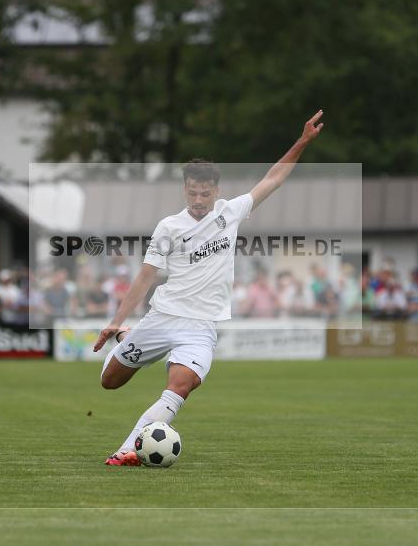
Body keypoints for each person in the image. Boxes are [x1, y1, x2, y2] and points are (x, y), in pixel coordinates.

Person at [93, 110, 324, 466]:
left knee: (180, 386)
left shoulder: (230, 212)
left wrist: (303, 141)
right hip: (163, 317)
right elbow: (145, 276)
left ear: (216, 191)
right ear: (184, 189)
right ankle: (127, 337)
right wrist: (115, 321)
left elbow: (274, 179)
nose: (198, 199)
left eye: (204, 193)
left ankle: (127, 450)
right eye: (192, 192)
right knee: (109, 381)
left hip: (200, 327)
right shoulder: (169, 227)